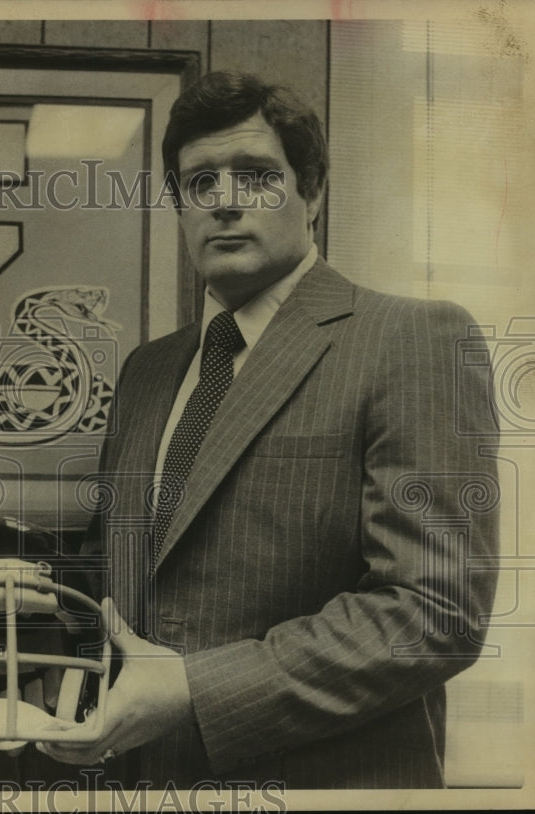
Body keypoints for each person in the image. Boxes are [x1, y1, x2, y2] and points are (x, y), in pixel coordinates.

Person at [41, 71, 500, 788]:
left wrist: (196, 689)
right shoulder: (147, 372)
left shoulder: (412, 340)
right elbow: (130, 582)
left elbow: (433, 614)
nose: (224, 201)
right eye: (199, 184)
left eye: (255, 177)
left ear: (311, 193)